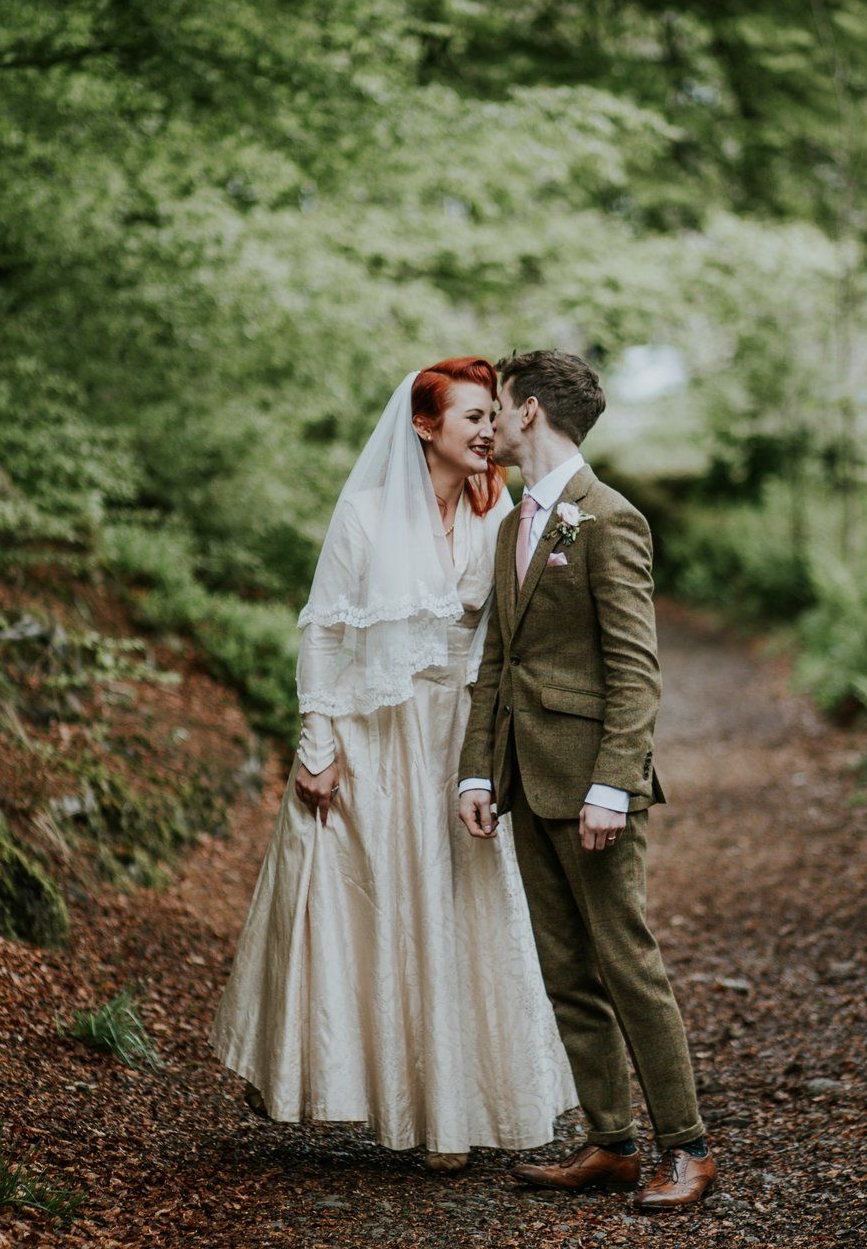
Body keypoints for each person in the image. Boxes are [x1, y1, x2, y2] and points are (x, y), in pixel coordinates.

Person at [211, 358, 577, 1170]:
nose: (490, 431)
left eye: (493, 417)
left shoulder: (499, 514)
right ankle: (322, 1079)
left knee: (458, 905)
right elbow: (323, 631)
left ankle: (454, 1110)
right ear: (423, 426)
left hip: (457, 740)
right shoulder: (366, 515)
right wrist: (317, 744)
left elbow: (509, 642)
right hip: (370, 737)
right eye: (473, 418)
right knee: (352, 906)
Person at [457, 349, 717, 1211]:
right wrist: (476, 774)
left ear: (530, 412)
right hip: (527, 782)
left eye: (496, 407)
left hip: (595, 788)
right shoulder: (510, 526)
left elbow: (636, 670)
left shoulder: (609, 519)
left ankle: (687, 1148)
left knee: (626, 963)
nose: (487, 424)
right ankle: (610, 1142)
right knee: (564, 970)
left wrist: (613, 784)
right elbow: (499, 659)